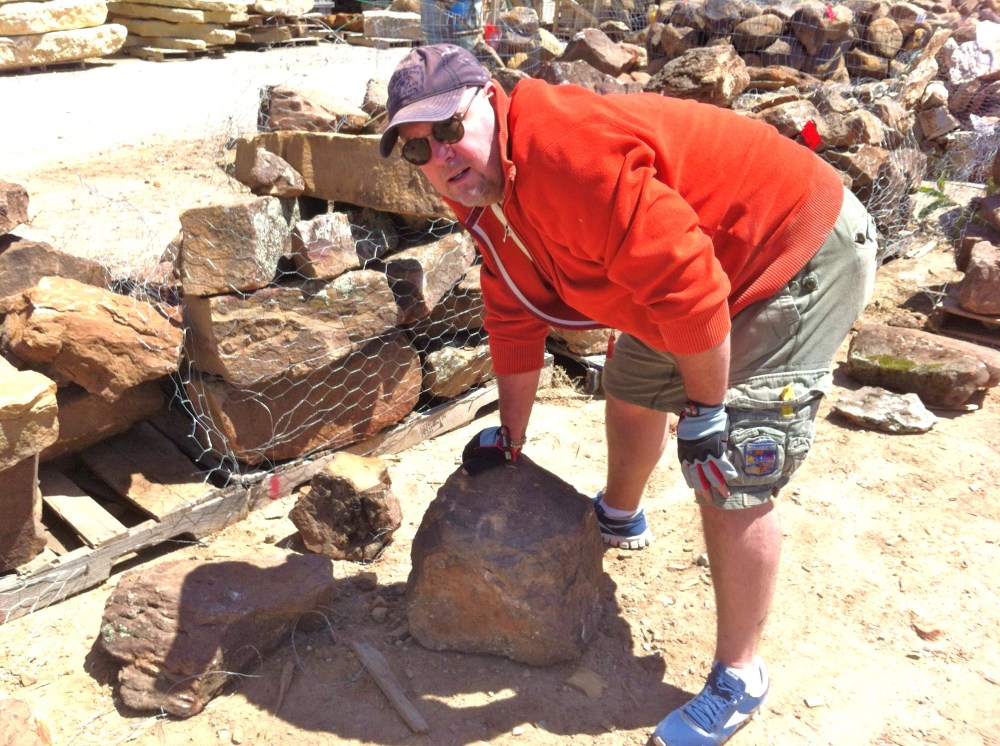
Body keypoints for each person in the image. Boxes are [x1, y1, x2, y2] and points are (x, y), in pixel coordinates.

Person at [378, 43, 878, 746]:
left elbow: (694, 291)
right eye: (417, 150)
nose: (442, 158)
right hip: (694, 266)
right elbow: (513, 310)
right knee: (635, 383)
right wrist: (511, 437)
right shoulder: (484, 193)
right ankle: (619, 515)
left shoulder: (569, 156)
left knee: (728, 464)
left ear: (491, 102)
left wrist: (707, 412)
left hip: (791, 250)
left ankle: (740, 674)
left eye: (451, 129)